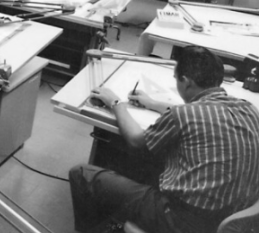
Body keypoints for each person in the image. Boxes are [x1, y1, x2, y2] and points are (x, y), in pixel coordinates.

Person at [70, 46, 259, 233]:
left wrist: (115, 103)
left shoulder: (184, 114)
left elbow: (136, 141)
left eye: (177, 80)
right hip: (230, 220)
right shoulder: (249, 109)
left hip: (182, 221)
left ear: (186, 82)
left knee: (81, 174)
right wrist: (152, 103)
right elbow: (201, 111)